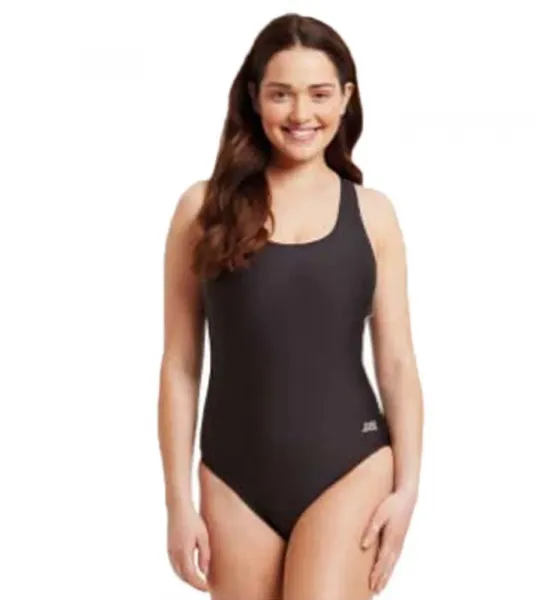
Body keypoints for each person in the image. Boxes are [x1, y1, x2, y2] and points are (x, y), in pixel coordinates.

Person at [158, 12, 423, 600]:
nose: (302, 114)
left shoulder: (373, 213)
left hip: (349, 466)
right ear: (255, 97)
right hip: (233, 479)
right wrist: (177, 501)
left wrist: (407, 490)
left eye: (319, 94)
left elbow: (397, 363)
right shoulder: (202, 209)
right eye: (282, 94)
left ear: (346, 97)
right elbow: (180, 364)